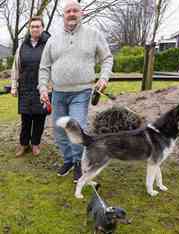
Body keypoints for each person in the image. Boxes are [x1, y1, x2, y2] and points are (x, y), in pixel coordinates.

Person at [38, 0, 113, 183]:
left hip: (81, 92)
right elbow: (44, 67)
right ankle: (69, 160)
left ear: (82, 13)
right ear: (63, 15)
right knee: (59, 131)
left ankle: (80, 163)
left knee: (76, 129)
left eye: (75, 11)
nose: (71, 14)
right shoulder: (53, 40)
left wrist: (104, 78)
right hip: (58, 93)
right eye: (68, 11)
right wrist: (42, 88)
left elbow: (107, 58)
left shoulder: (93, 35)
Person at [10, 16, 50, 157]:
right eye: (32, 26)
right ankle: (23, 144)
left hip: (43, 87)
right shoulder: (22, 45)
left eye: (37, 26)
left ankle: (35, 144)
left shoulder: (49, 44)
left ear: (42, 28)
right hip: (25, 87)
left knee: (40, 118)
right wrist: (14, 86)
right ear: (29, 28)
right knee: (25, 119)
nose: (35, 29)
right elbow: (16, 67)